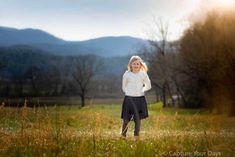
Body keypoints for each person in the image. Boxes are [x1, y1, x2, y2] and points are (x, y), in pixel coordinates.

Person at [121, 55, 151, 140]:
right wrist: (129, 92)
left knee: (137, 120)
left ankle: (136, 137)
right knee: (126, 119)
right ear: (130, 65)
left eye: (137, 64)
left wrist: (142, 90)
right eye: (134, 64)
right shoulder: (127, 74)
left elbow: (148, 85)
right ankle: (123, 137)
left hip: (140, 99)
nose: (136, 65)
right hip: (129, 99)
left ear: (140, 65)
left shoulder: (143, 74)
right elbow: (124, 86)